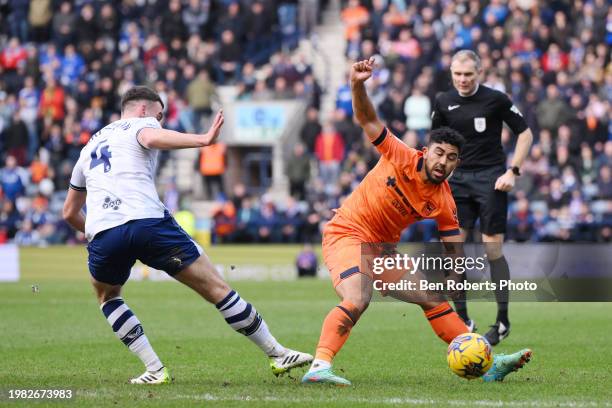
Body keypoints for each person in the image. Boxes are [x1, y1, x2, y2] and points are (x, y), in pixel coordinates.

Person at [301, 58, 532, 386]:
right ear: (427, 151)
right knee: (357, 298)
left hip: (382, 251)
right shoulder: (400, 154)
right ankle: (319, 366)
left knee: (431, 297)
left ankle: (488, 366)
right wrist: (357, 84)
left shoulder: (443, 199)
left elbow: (453, 244)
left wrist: (455, 275)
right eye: (439, 153)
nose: (443, 162)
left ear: (457, 163)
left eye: (451, 158)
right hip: (347, 234)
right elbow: (367, 119)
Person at [62, 86, 312, 384]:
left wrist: (94, 231)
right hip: (147, 222)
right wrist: (203, 140)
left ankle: (154, 369)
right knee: (217, 289)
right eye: (160, 114)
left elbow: (69, 213)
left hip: (104, 232)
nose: (161, 121)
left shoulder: (89, 147)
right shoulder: (141, 124)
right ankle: (276, 353)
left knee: (108, 297)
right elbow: (151, 137)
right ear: (143, 109)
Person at [431, 50, 534, 345]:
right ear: (451, 73)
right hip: (457, 182)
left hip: (491, 180)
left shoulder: (496, 99)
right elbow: (436, 142)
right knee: (454, 251)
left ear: (479, 73)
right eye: (458, 75)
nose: (463, 80)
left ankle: (502, 320)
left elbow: (525, 134)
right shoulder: (443, 101)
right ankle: (463, 319)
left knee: (492, 251)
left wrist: (513, 171)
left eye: (468, 75)